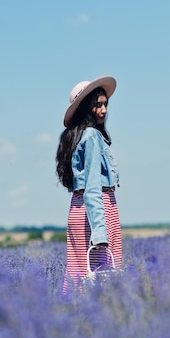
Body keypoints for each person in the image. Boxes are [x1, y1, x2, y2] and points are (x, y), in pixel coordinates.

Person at [56, 75, 122, 293]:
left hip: (78, 210)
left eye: (105, 104)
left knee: (78, 274)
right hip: (96, 212)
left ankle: (68, 316)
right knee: (102, 277)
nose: (104, 110)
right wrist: (100, 233)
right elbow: (93, 186)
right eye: (97, 105)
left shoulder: (74, 137)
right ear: (86, 108)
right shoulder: (92, 136)